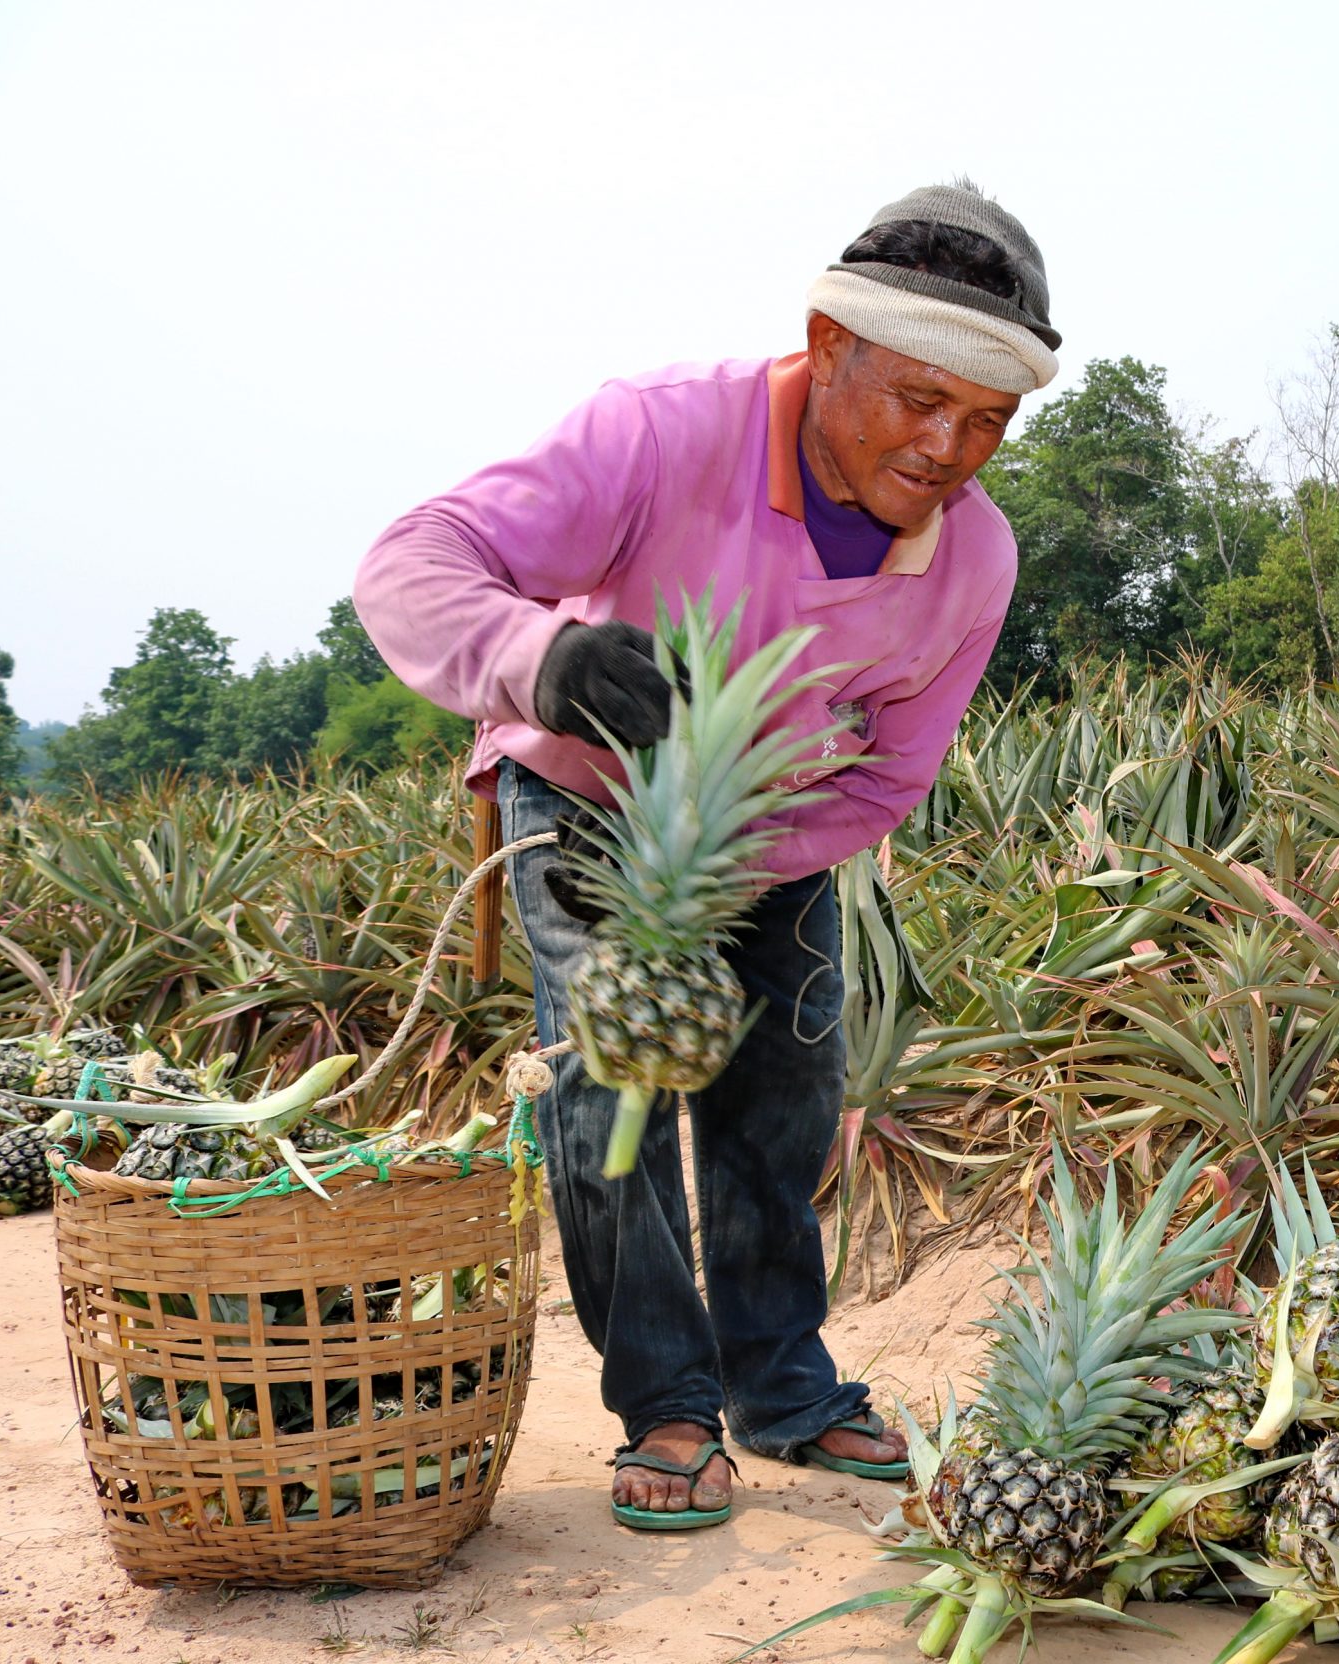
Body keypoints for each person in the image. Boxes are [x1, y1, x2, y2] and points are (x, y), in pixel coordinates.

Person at [354, 183, 1056, 1530]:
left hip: (781, 832)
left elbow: (894, 774)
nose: (947, 446)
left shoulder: (976, 559)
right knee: (608, 1091)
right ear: (825, 343)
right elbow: (411, 564)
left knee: (784, 1093)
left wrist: (752, 859)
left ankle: (783, 1387)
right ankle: (667, 1402)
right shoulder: (663, 433)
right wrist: (543, 659)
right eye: (918, 399)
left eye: (987, 422)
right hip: (583, 802)